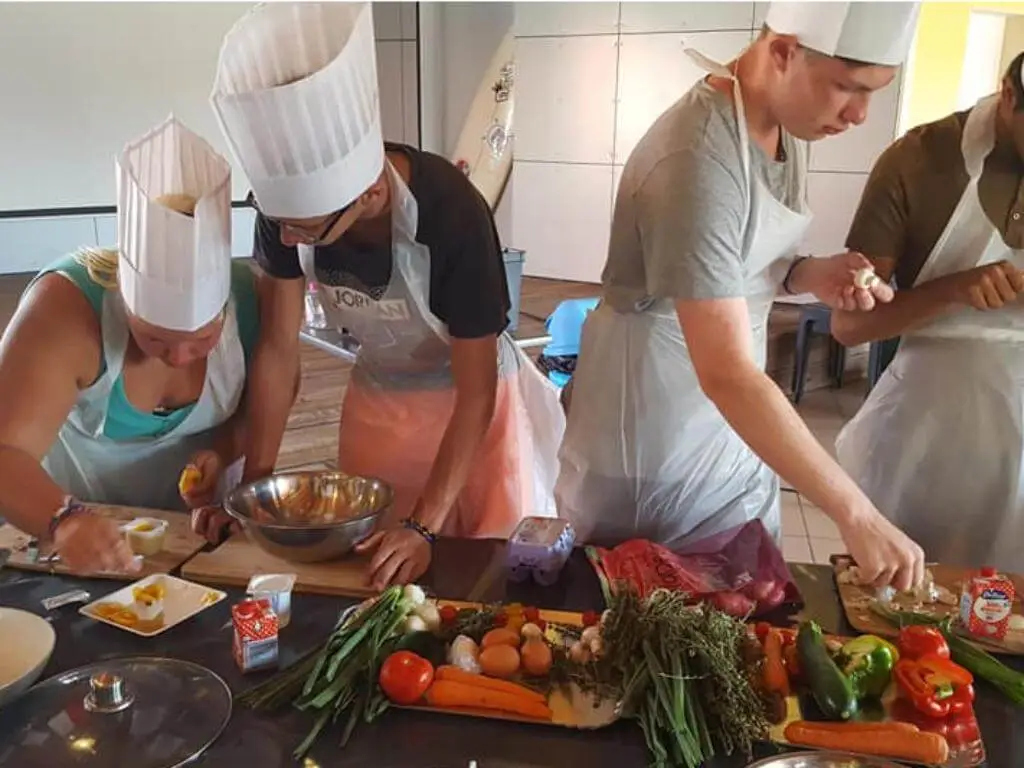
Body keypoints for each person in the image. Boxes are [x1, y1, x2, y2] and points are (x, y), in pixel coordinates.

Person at [556, 1, 927, 590]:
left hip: (728, 427)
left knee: (743, 607)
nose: (859, 114)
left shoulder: (781, 125)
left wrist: (808, 273)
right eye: (846, 88)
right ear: (783, 51)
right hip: (656, 442)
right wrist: (855, 513)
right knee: (657, 631)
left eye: (875, 93)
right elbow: (725, 370)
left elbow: (741, 264)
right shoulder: (697, 159)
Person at [210, 2, 564, 590]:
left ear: (371, 194)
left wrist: (424, 529)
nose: (289, 239)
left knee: (477, 572)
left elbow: (475, 390)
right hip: (381, 399)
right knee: (373, 571)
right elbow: (277, 351)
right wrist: (259, 488)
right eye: (281, 224)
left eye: (308, 230)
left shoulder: (451, 214)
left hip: (473, 408)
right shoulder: (285, 212)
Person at [0, 116, 262, 573]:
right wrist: (63, 519)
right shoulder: (65, 310)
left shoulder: (253, 303)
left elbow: (255, 412)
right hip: (69, 531)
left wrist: (221, 451)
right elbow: (6, 454)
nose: (179, 357)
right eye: (155, 337)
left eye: (202, 340)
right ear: (122, 295)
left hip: (193, 538)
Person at [833, 52, 1024, 572]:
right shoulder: (918, 162)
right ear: (1010, 95)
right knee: (903, 612)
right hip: (926, 444)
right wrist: (953, 290)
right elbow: (848, 326)